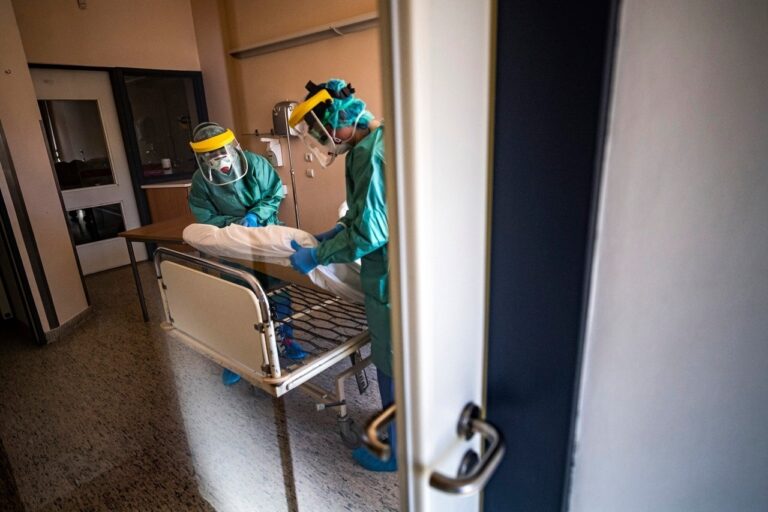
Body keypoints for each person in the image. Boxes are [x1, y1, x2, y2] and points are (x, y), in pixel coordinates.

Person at [287, 79, 396, 472]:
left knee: (394, 361)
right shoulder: (373, 143)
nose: (321, 140)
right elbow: (363, 213)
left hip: (395, 278)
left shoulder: (371, 153)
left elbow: (370, 233)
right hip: (403, 269)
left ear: (340, 119)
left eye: (320, 131)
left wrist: (318, 255)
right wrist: (334, 232)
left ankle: (397, 450)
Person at [188, 122, 307, 386]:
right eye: (210, 155)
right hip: (231, 242)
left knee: (278, 290)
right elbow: (204, 216)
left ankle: (287, 339)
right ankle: (240, 355)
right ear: (202, 158)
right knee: (239, 297)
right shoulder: (200, 181)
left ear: (232, 147)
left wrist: (255, 216)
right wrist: (234, 226)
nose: (218, 159)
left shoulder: (255, 164)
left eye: (221, 152)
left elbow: (273, 194)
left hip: (266, 235)